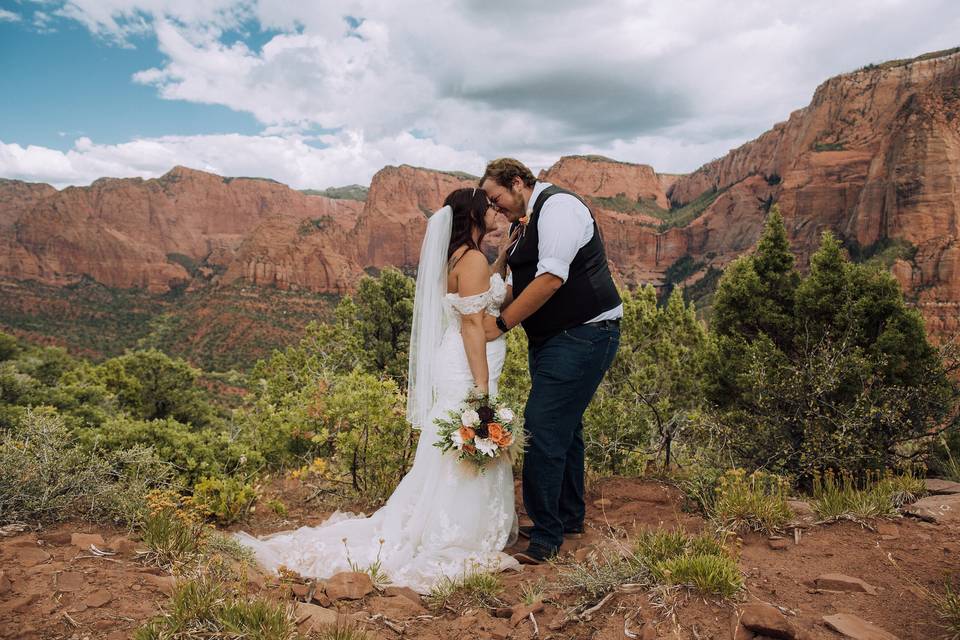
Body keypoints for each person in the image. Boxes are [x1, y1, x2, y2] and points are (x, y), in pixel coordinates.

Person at [234, 188, 521, 593]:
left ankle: (436, 521)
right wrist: (482, 387)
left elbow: (477, 297)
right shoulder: (471, 260)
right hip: (467, 364)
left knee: (449, 443)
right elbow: (474, 325)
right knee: (465, 437)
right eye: (489, 206)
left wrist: (503, 257)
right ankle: (454, 532)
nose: (497, 210)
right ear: (474, 213)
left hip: (455, 359)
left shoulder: (459, 257)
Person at [480, 158, 622, 564]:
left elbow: (551, 279)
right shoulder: (525, 222)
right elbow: (520, 283)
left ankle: (545, 538)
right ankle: (567, 516)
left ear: (519, 182)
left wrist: (501, 325)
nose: (496, 208)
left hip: (586, 333)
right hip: (553, 339)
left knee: (542, 426)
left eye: (498, 197)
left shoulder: (559, 208)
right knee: (565, 427)